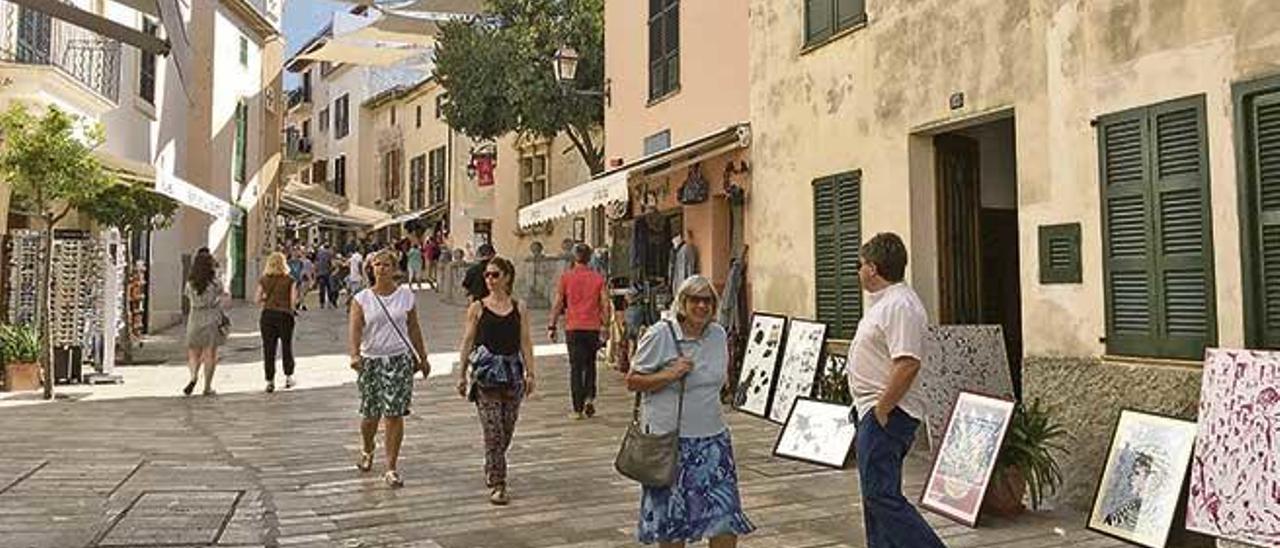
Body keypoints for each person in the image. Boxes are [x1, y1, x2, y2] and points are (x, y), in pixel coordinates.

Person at [626, 275, 755, 547]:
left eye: (707, 300)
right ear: (682, 303)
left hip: (713, 440)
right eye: (694, 299)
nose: (701, 306)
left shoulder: (718, 335)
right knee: (672, 527)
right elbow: (633, 380)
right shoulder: (661, 334)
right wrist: (671, 374)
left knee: (724, 522)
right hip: (671, 444)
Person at [845, 232, 945, 548]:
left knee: (881, 497)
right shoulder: (886, 303)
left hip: (888, 414)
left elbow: (908, 364)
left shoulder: (900, 305)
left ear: (872, 268)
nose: (858, 271)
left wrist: (882, 410)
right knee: (874, 500)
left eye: (859, 265)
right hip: (873, 411)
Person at [456, 256, 536, 505]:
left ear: (507, 277)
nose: (489, 279)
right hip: (486, 374)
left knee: (506, 429)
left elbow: (525, 340)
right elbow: (468, 341)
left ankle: (492, 461)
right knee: (493, 431)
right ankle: (498, 482)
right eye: (487, 275)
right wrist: (461, 373)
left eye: (495, 275)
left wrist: (531, 372)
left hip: (512, 373)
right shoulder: (477, 307)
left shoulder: (518, 306)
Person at [349, 249, 430, 488]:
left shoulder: (406, 297)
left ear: (395, 269)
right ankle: (367, 447)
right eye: (376, 265)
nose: (381, 269)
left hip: (398, 360)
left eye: (386, 265)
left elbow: (414, 328)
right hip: (371, 360)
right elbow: (355, 329)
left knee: (394, 414)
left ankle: (391, 467)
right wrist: (354, 354)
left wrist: (422, 357)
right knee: (370, 415)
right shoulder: (361, 299)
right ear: (370, 269)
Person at [547, 243, 610, 420]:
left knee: (576, 367)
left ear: (574, 257)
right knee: (590, 363)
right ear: (589, 258)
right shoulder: (598, 278)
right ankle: (590, 396)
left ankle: (577, 408)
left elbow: (559, 302)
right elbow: (604, 303)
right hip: (592, 327)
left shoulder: (566, 278)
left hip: (573, 327)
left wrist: (552, 325)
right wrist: (605, 325)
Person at [183, 253, 226, 396]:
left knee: (193, 352)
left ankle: (194, 376)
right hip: (211, 316)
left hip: (195, 317)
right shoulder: (215, 282)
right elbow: (224, 296)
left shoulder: (190, 283)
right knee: (210, 353)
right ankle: (207, 386)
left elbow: (188, 297)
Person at [257, 252, 298, 393]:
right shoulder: (290, 280)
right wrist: (292, 309)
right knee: (287, 347)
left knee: (269, 349)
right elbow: (293, 302)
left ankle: (270, 380)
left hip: (267, 315)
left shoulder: (264, 279)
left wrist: (267, 300)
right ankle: (288, 377)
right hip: (285, 315)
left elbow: (257, 299)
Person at [314, 244, 335, 309]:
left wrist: (316, 271)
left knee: (322, 289)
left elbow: (316, 263)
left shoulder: (319, 253)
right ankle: (330, 302)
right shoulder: (329, 254)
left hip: (320, 273)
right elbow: (331, 263)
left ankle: (322, 303)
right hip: (327, 273)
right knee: (329, 288)